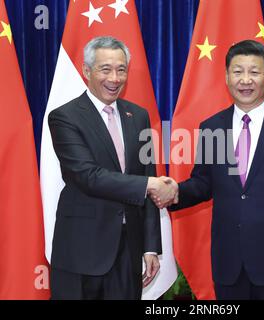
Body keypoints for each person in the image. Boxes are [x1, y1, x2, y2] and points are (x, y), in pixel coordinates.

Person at [160, 40, 264, 300]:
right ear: (227, 77)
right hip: (230, 264)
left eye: (254, 72)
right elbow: (203, 183)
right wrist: (174, 192)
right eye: (238, 72)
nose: (245, 80)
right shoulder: (212, 127)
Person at [48, 36, 176, 299]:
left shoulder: (138, 115)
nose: (115, 78)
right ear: (86, 71)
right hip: (81, 249)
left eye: (121, 70)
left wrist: (150, 247)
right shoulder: (64, 117)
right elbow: (87, 176)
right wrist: (149, 185)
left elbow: (147, 173)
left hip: (129, 250)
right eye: (105, 69)